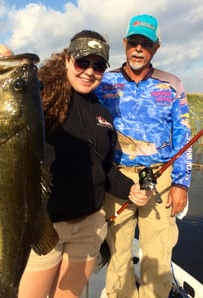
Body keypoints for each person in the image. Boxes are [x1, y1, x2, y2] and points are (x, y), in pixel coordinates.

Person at [15, 30, 150, 298]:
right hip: (46, 226)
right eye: (82, 62)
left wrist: (130, 190)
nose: (90, 71)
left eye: (98, 66)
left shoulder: (102, 114)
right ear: (67, 59)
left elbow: (105, 168)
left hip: (89, 227)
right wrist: (8, 68)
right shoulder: (41, 101)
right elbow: (12, 102)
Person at [95, 14, 192, 298]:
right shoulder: (104, 82)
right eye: (134, 42)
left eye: (146, 44)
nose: (139, 49)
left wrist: (181, 184)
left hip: (160, 178)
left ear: (156, 48)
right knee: (117, 250)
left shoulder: (172, 85)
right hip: (116, 178)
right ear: (124, 43)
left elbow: (182, 137)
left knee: (158, 254)